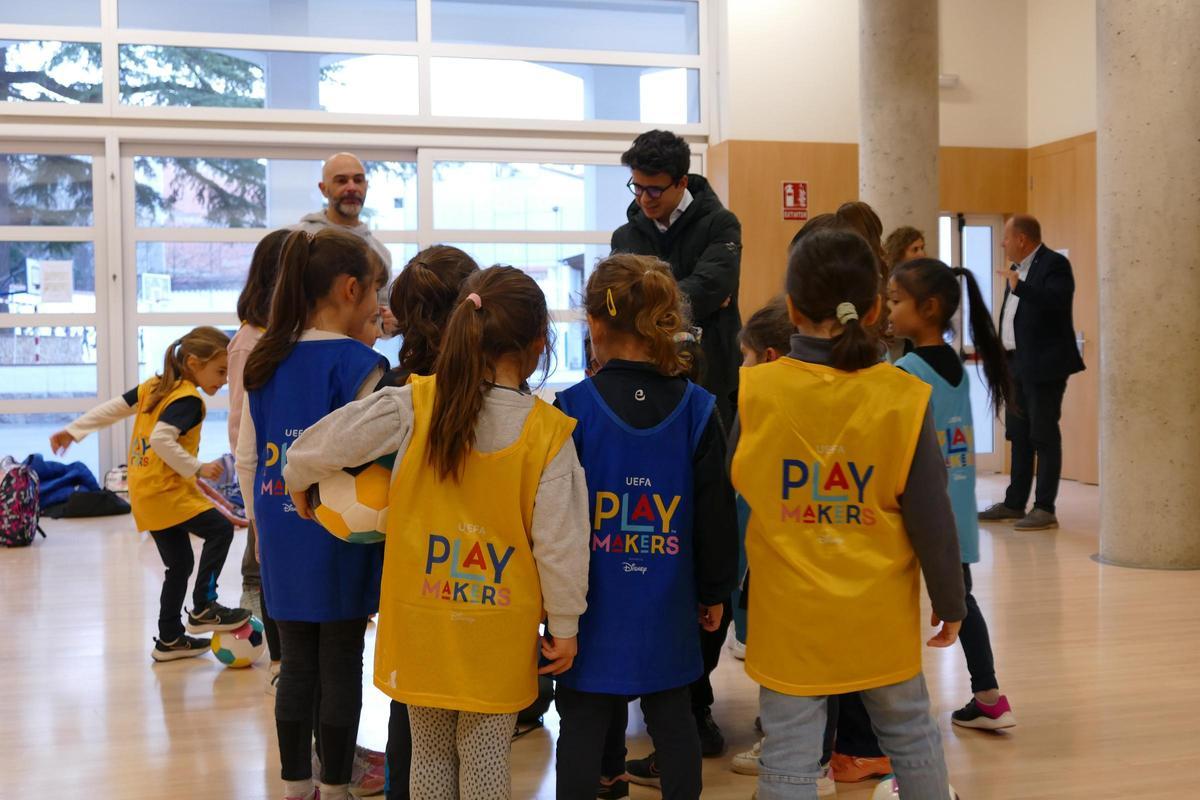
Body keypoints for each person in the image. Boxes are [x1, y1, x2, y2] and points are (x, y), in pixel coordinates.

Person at [281, 266, 591, 800]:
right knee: (486, 756)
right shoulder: (549, 434)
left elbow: (321, 443)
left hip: (419, 620)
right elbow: (561, 543)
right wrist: (565, 622)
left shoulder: (414, 403)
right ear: (540, 344)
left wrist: (297, 476)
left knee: (426, 752)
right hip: (498, 631)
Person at [733, 229, 966, 800]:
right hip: (878, 618)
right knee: (911, 737)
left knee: (788, 758)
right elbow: (932, 515)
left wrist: (717, 588)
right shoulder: (903, 395)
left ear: (790, 308)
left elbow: (732, 501)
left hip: (789, 620)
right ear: (871, 309)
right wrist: (950, 598)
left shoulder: (758, 391)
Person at [553, 254, 738, 800]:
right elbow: (715, 515)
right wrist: (714, 591)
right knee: (674, 719)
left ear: (594, 324)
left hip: (589, 606)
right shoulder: (699, 409)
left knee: (582, 724)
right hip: (669, 603)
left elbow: (555, 519)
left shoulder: (568, 410)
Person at [235, 228, 390, 800]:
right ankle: (338, 784)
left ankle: (295, 784)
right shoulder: (361, 365)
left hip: (279, 531)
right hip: (340, 535)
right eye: (377, 291)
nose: (380, 305)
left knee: (296, 661)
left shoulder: (265, 358)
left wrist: (261, 531)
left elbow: (249, 457)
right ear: (353, 289)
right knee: (342, 659)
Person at [611, 127, 741, 760]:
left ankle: (695, 701)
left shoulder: (721, 225)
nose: (643, 200)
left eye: (654, 189)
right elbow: (617, 302)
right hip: (637, 401)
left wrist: (651, 304)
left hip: (707, 402)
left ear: (682, 183)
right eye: (635, 186)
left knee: (706, 550)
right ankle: (643, 688)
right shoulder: (627, 231)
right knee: (645, 545)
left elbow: (705, 292)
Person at [50, 326, 252, 662]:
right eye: (220, 371)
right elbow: (161, 439)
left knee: (180, 564)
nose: (226, 380)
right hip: (168, 492)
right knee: (219, 530)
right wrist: (197, 467)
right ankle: (204, 605)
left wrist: (75, 429)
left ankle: (170, 638)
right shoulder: (188, 398)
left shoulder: (156, 387)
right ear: (192, 362)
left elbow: (114, 408)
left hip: (146, 496)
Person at [889, 258, 1020, 731]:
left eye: (896, 301)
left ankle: (891, 715)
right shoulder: (957, 368)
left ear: (929, 308)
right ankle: (987, 695)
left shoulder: (906, 370)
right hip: (955, 513)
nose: (888, 309)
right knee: (960, 603)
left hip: (917, 513)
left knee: (901, 605)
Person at [373, 245, 480, 800]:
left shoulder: (395, 388)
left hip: (416, 580)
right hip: (486, 579)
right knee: (479, 724)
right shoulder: (498, 387)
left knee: (413, 721)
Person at [979, 214, 1085, 531]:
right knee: (1019, 436)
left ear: (1022, 239)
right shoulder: (1017, 271)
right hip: (1015, 366)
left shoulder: (1054, 265)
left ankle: (1044, 507)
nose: (1002, 242)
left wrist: (1020, 287)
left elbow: (1056, 301)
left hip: (1044, 366)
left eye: (1006, 237)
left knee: (1043, 435)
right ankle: (1014, 504)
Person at [228, 228, 290, 693]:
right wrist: (252, 498)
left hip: (285, 473)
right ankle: (278, 657)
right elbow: (240, 422)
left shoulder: (285, 334)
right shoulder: (252, 340)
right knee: (265, 566)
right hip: (267, 476)